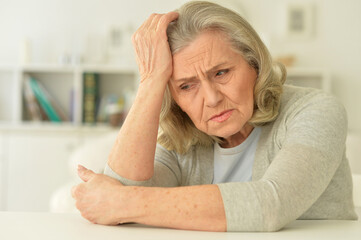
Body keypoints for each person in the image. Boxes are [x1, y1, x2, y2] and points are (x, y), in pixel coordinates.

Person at [71, 1, 358, 232]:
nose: (211, 98)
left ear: (254, 65)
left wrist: (124, 202)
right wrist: (150, 81)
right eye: (186, 86)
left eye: (221, 73)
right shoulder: (182, 140)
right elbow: (119, 202)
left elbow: (271, 204)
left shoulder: (317, 110)